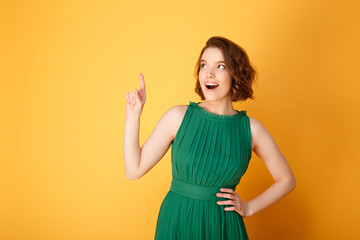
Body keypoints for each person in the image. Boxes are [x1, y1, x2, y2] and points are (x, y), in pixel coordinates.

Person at [124, 36, 296, 239]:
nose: (209, 74)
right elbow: (133, 170)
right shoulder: (178, 117)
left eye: (220, 66)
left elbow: (287, 180)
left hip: (223, 226)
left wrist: (249, 208)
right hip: (178, 220)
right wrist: (133, 117)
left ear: (236, 73)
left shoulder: (251, 129)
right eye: (204, 65)